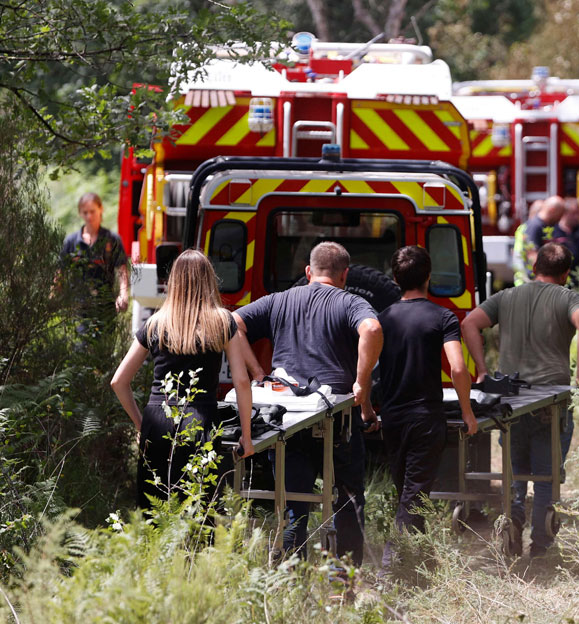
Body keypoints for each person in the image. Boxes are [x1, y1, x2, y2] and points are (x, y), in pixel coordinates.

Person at [232, 242, 383, 564]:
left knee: (293, 503)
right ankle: (343, 580)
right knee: (348, 499)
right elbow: (371, 328)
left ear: (307, 272)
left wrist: (257, 372)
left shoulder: (279, 300)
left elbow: (232, 323)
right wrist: (361, 382)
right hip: (338, 422)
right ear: (345, 274)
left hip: (286, 420)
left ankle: (288, 578)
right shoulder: (351, 302)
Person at [462, 243, 579, 558]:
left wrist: (481, 370)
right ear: (565, 274)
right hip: (550, 402)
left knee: (514, 473)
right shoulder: (568, 298)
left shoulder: (507, 297)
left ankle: (511, 527)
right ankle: (540, 548)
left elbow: (469, 323)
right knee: (546, 474)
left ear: (535, 267)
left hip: (511, 401)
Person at [110, 250, 254, 510]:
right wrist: (247, 436)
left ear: (174, 281)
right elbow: (242, 382)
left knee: (155, 514)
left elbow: (118, 381)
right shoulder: (222, 321)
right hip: (201, 419)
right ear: (209, 280)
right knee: (200, 513)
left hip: (157, 419)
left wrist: (141, 425)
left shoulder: (155, 323)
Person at [377, 246, 478, 568]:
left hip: (391, 417)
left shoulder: (382, 319)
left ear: (394, 278)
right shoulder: (443, 317)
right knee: (414, 494)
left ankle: (420, 564)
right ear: (429, 277)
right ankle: (390, 569)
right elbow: (459, 369)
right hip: (425, 417)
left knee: (408, 491)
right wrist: (467, 410)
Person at [60, 192, 130, 338]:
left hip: (106, 306)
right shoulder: (71, 241)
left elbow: (122, 269)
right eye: (85, 212)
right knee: (81, 348)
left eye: (92, 211)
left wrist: (123, 294)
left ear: (100, 209)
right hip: (79, 307)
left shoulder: (112, 239)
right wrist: (54, 297)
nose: (89, 216)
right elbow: (60, 272)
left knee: (104, 349)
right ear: (80, 213)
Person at [551, 198, 579, 284]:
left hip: (578, 276)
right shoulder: (554, 231)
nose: (577, 217)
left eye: (578, 213)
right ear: (565, 213)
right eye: (574, 213)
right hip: (559, 276)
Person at [522, 196, 566, 279]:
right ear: (552, 210)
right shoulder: (535, 226)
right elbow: (532, 254)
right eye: (560, 214)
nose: (560, 218)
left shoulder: (547, 226)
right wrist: (543, 278)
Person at [511, 199, 545, 287]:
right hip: (527, 279)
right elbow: (531, 255)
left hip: (521, 277)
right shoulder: (531, 228)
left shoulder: (523, 227)